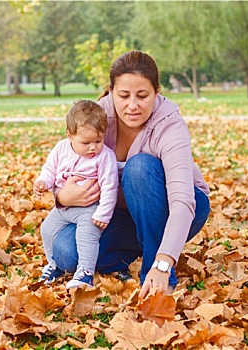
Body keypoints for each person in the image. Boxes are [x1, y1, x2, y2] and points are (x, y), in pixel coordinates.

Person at [42, 50, 210, 297]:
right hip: (118, 214)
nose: (132, 105)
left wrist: (164, 263)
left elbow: (182, 201)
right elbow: (65, 165)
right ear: (111, 91)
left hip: (180, 209)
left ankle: (155, 267)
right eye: (123, 95)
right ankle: (137, 250)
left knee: (140, 167)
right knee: (66, 252)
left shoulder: (170, 126)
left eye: (142, 96)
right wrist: (62, 197)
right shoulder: (97, 117)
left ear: (156, 92)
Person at [34, 100, 118, 288]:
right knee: (47, 229)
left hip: (89, 209)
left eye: (99, 140)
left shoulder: (104, 156)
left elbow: (109, 186)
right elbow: (50, 169)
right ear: (69, 135)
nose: (93, 148)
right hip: (64, 206)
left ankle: (85, 273)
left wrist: (103, 213)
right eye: (86, 142)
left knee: (87, 234)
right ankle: (53, 264)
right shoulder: (61, 149)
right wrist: (42, 182)